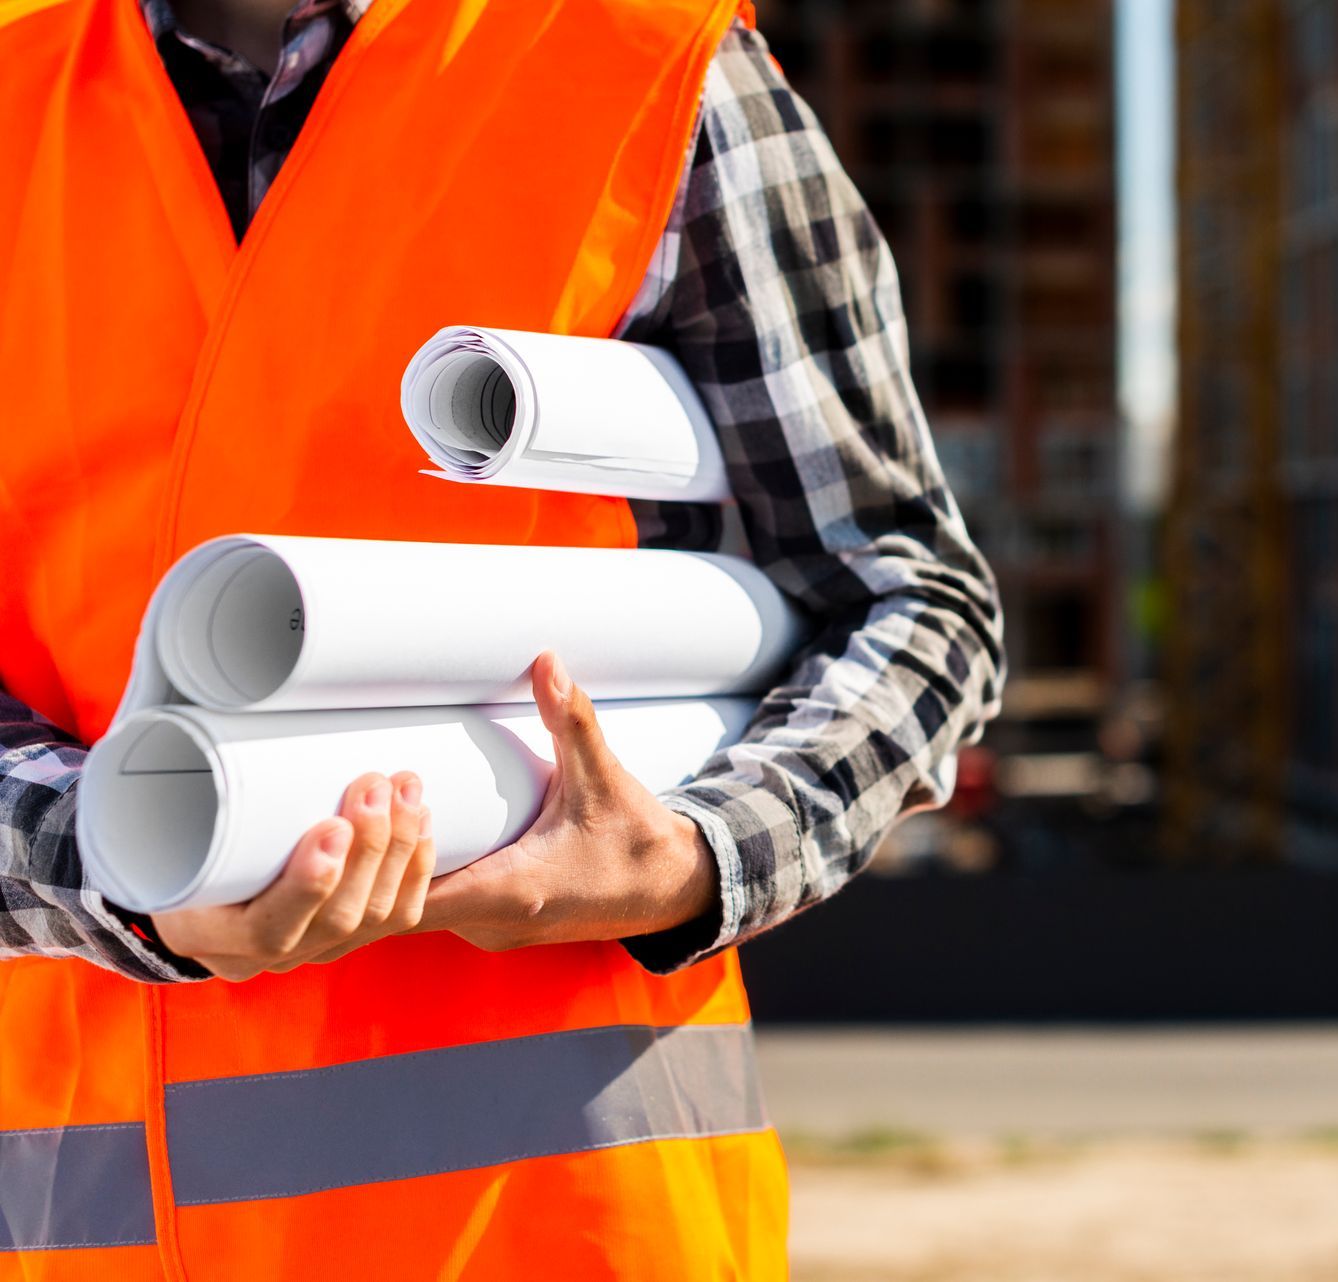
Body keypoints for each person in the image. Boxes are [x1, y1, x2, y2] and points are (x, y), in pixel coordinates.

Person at [0, 0, 1004, 1274]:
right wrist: (114, 876)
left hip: (548, 1228)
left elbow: (909, 600)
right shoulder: (16, 99)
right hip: (87, 1235)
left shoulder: (636, 66)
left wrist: (696, 856)